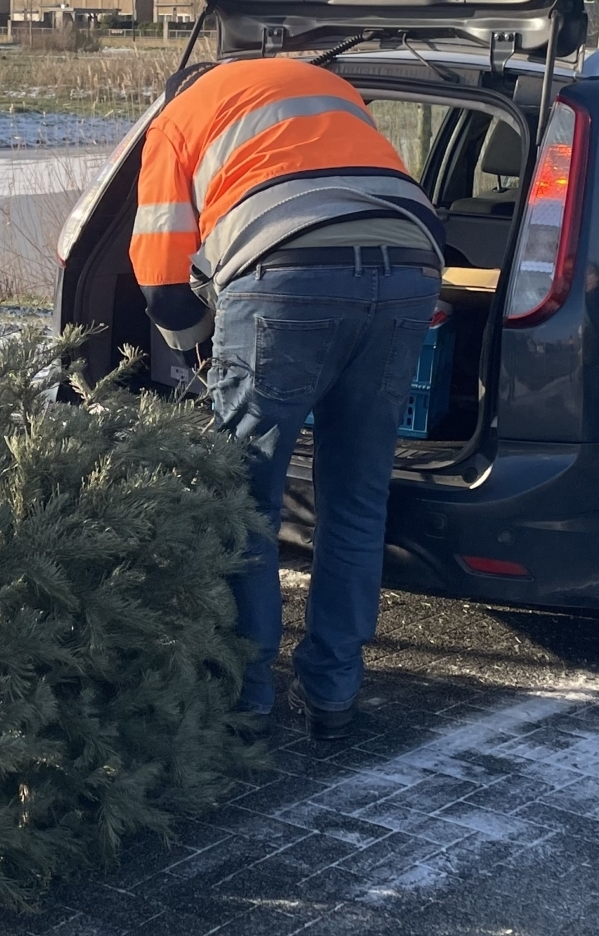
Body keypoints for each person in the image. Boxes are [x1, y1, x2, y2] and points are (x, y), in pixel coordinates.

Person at [133, 56, 444, 742]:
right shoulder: (326, 86)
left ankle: (244, 697)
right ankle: (334, 694)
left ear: (177, 95)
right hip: (411, 262)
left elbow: (160, 282)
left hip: (287, 271)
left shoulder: (176, 119)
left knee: (244, 497)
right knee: (357, 497)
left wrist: (196, 344)